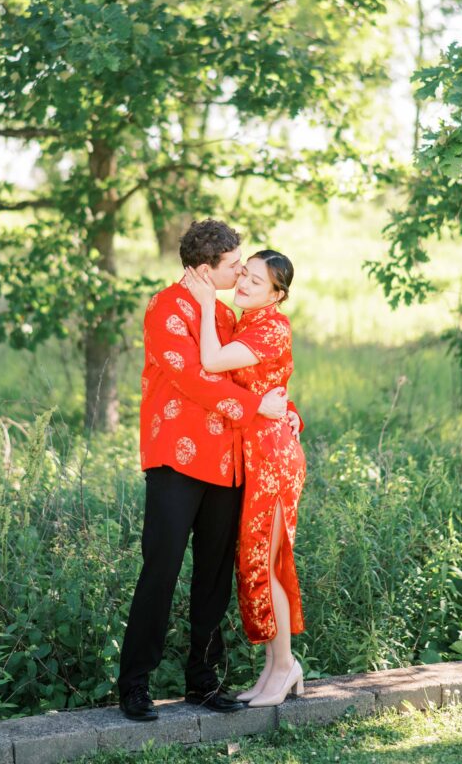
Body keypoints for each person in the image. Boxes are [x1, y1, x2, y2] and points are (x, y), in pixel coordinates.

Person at [117, 220, 292, 722]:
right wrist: (259, 407)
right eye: (234, 265)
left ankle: (203, 679)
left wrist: (284, 409)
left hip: (228, 461)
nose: (241, 272)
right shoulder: (166, 307)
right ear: (201, 269)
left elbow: (252, 366)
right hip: (176, 458)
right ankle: (134, 684)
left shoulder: (226, 310)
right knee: (162, 569)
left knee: (212, 575)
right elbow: (192, 378)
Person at [184, 249, 307, 707]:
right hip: (252, 457)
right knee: (255, 564)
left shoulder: (272, 327)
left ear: (278, 295)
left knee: (271, 564)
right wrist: (290, 408)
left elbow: (212, 363)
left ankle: (284, 666)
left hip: (273, 460)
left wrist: (203, 301)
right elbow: (266, 387)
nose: (244, 284)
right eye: (244, 275)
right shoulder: (249, 324)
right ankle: (275, 667)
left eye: (257, 282)